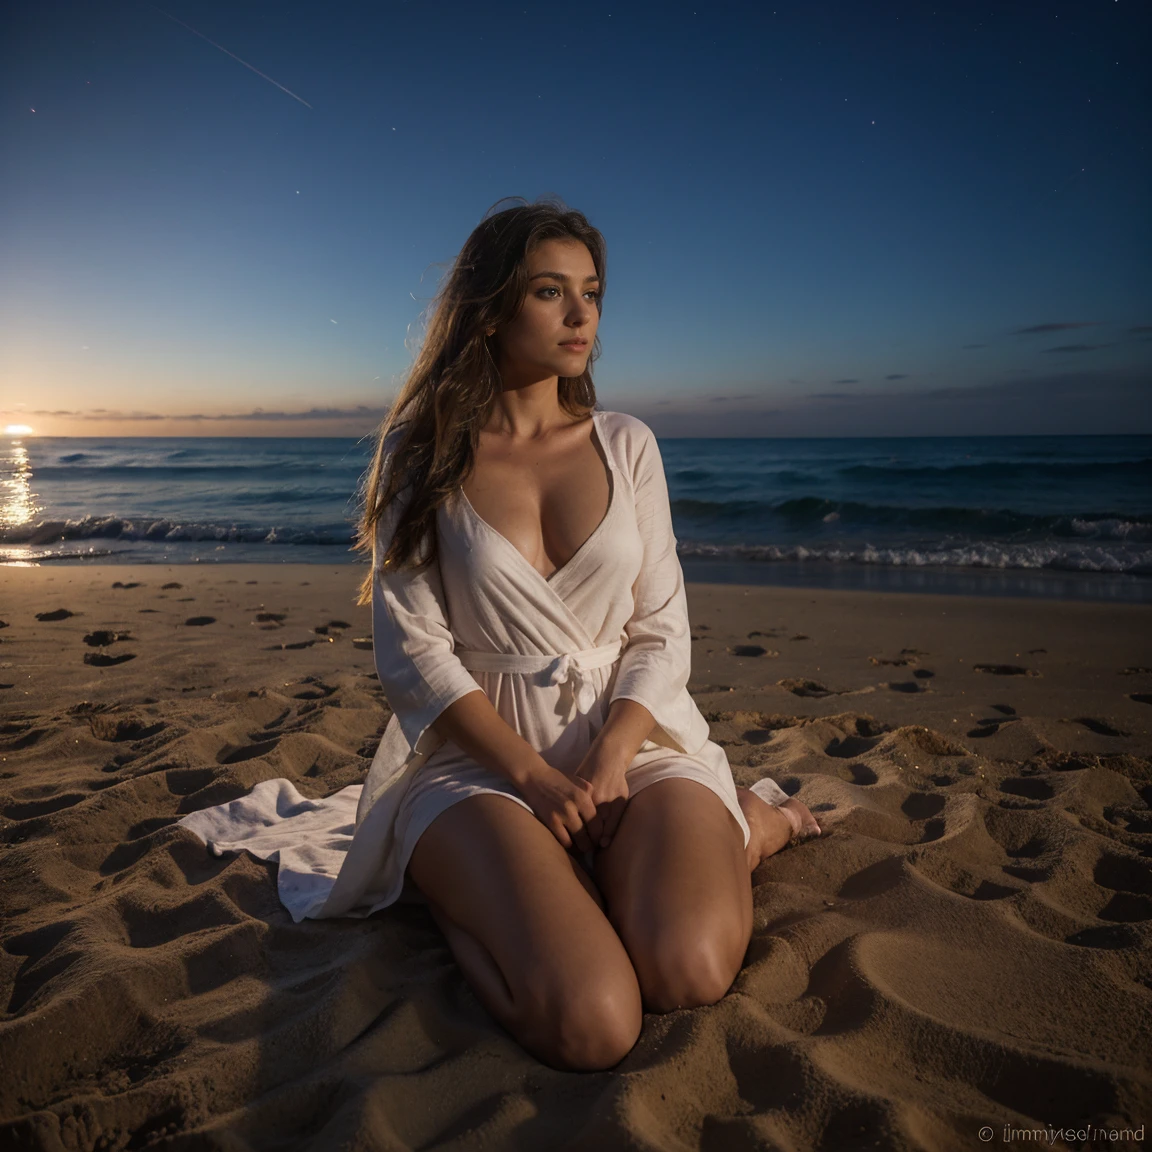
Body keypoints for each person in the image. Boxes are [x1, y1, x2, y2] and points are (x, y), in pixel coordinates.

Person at [179, 197, 821, 1074]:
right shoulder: (424, 452)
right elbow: (415, 656)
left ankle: (757, 821)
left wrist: (600, 768)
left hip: (630, 742)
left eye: (590, 292)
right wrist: (536, 780)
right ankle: (458, 887)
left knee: (690, 970)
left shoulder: (627, 445)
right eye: (551, 291)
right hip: (481, 761)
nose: (582, 313)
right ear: (489, 310)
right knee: (595, 1022)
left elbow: (661, 633)